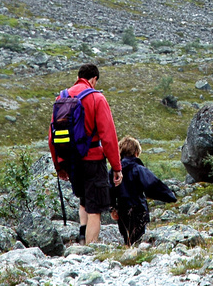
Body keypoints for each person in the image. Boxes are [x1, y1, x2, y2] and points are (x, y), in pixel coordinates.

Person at [63, 63, 122, 245]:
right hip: (93, 160)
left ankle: (82, 237)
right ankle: (89, 249)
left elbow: (53, 135)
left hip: (71, 161)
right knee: (94, 208)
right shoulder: (96, 98)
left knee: (83, 199)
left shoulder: (63, 96)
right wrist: (116, 167)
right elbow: (108, 136)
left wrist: (60, 166)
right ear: (94, 79)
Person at [110, 135, 177, 246]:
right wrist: (170, 196)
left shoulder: (114, 171)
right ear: (136, 153)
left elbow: (109, 189)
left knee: (127, 237)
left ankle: (128, 254)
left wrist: (112, 208)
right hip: (138, 209)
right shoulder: (139, 169)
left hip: (122, 210)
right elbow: (153, 184)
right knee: (138, 238)